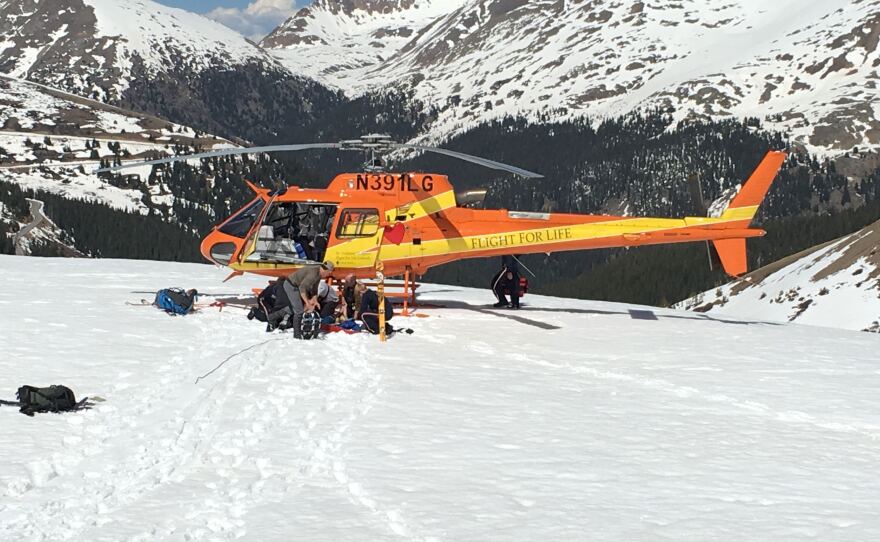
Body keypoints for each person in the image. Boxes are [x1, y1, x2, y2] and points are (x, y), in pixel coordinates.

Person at [268, 261, 335, 338]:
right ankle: (297, 335)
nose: (329, 274)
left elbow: (314, 288)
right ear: (325, 270)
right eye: (329, 272)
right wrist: (308, 303)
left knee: (294, 308)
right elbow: (302, 288)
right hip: (291, 285)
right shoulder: (313, 274)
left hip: (297, 286)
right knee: (299, 311)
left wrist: (315, 300)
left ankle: (272, 317)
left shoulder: (319, 273)